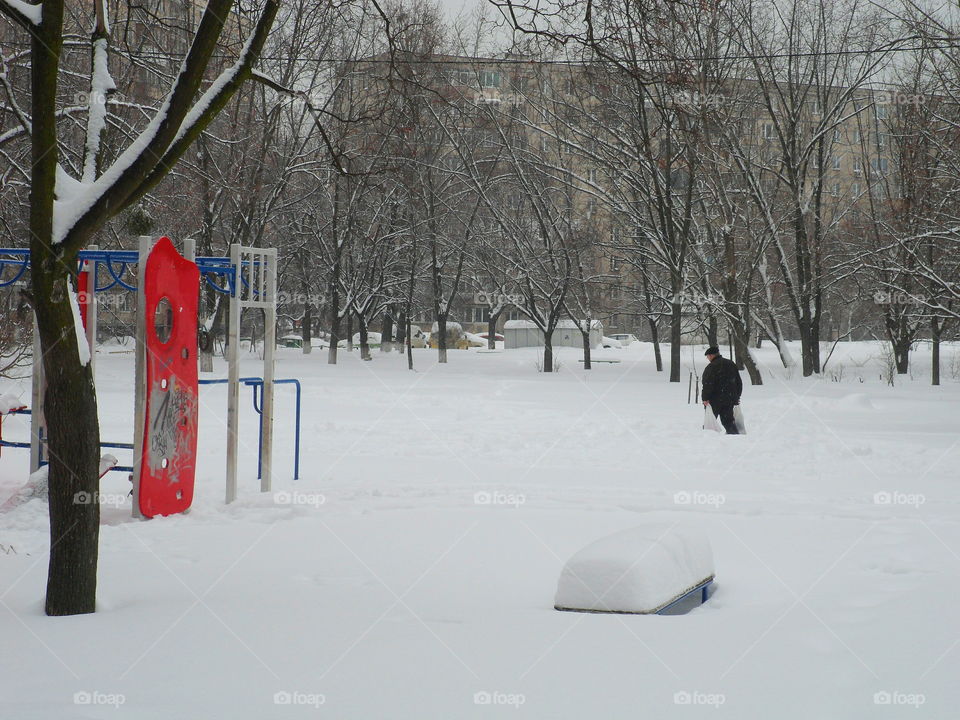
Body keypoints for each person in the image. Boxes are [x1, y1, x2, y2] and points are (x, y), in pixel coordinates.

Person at [701, 346, 743, 435]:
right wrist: (737, 396)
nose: (707, 358)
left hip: (714, 400)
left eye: (708, 356)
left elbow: (707, 384)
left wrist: (705, 398)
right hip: (729, 398)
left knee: (710, 423)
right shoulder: (731, 364)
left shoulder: (711, 367)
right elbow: (738, 382)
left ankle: (707, 440)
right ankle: (735, 438)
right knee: (728, 421)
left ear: (711, 355)